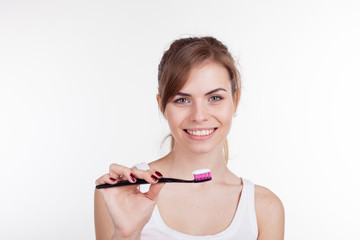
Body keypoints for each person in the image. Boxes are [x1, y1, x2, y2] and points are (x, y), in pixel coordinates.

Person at [94, 36, 285, 240]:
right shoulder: (121, 194)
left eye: (214, 98)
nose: (199, 116)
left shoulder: (264, 208)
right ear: (162, 106)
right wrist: (125, 234)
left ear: (235, 101)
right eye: (182, 100)